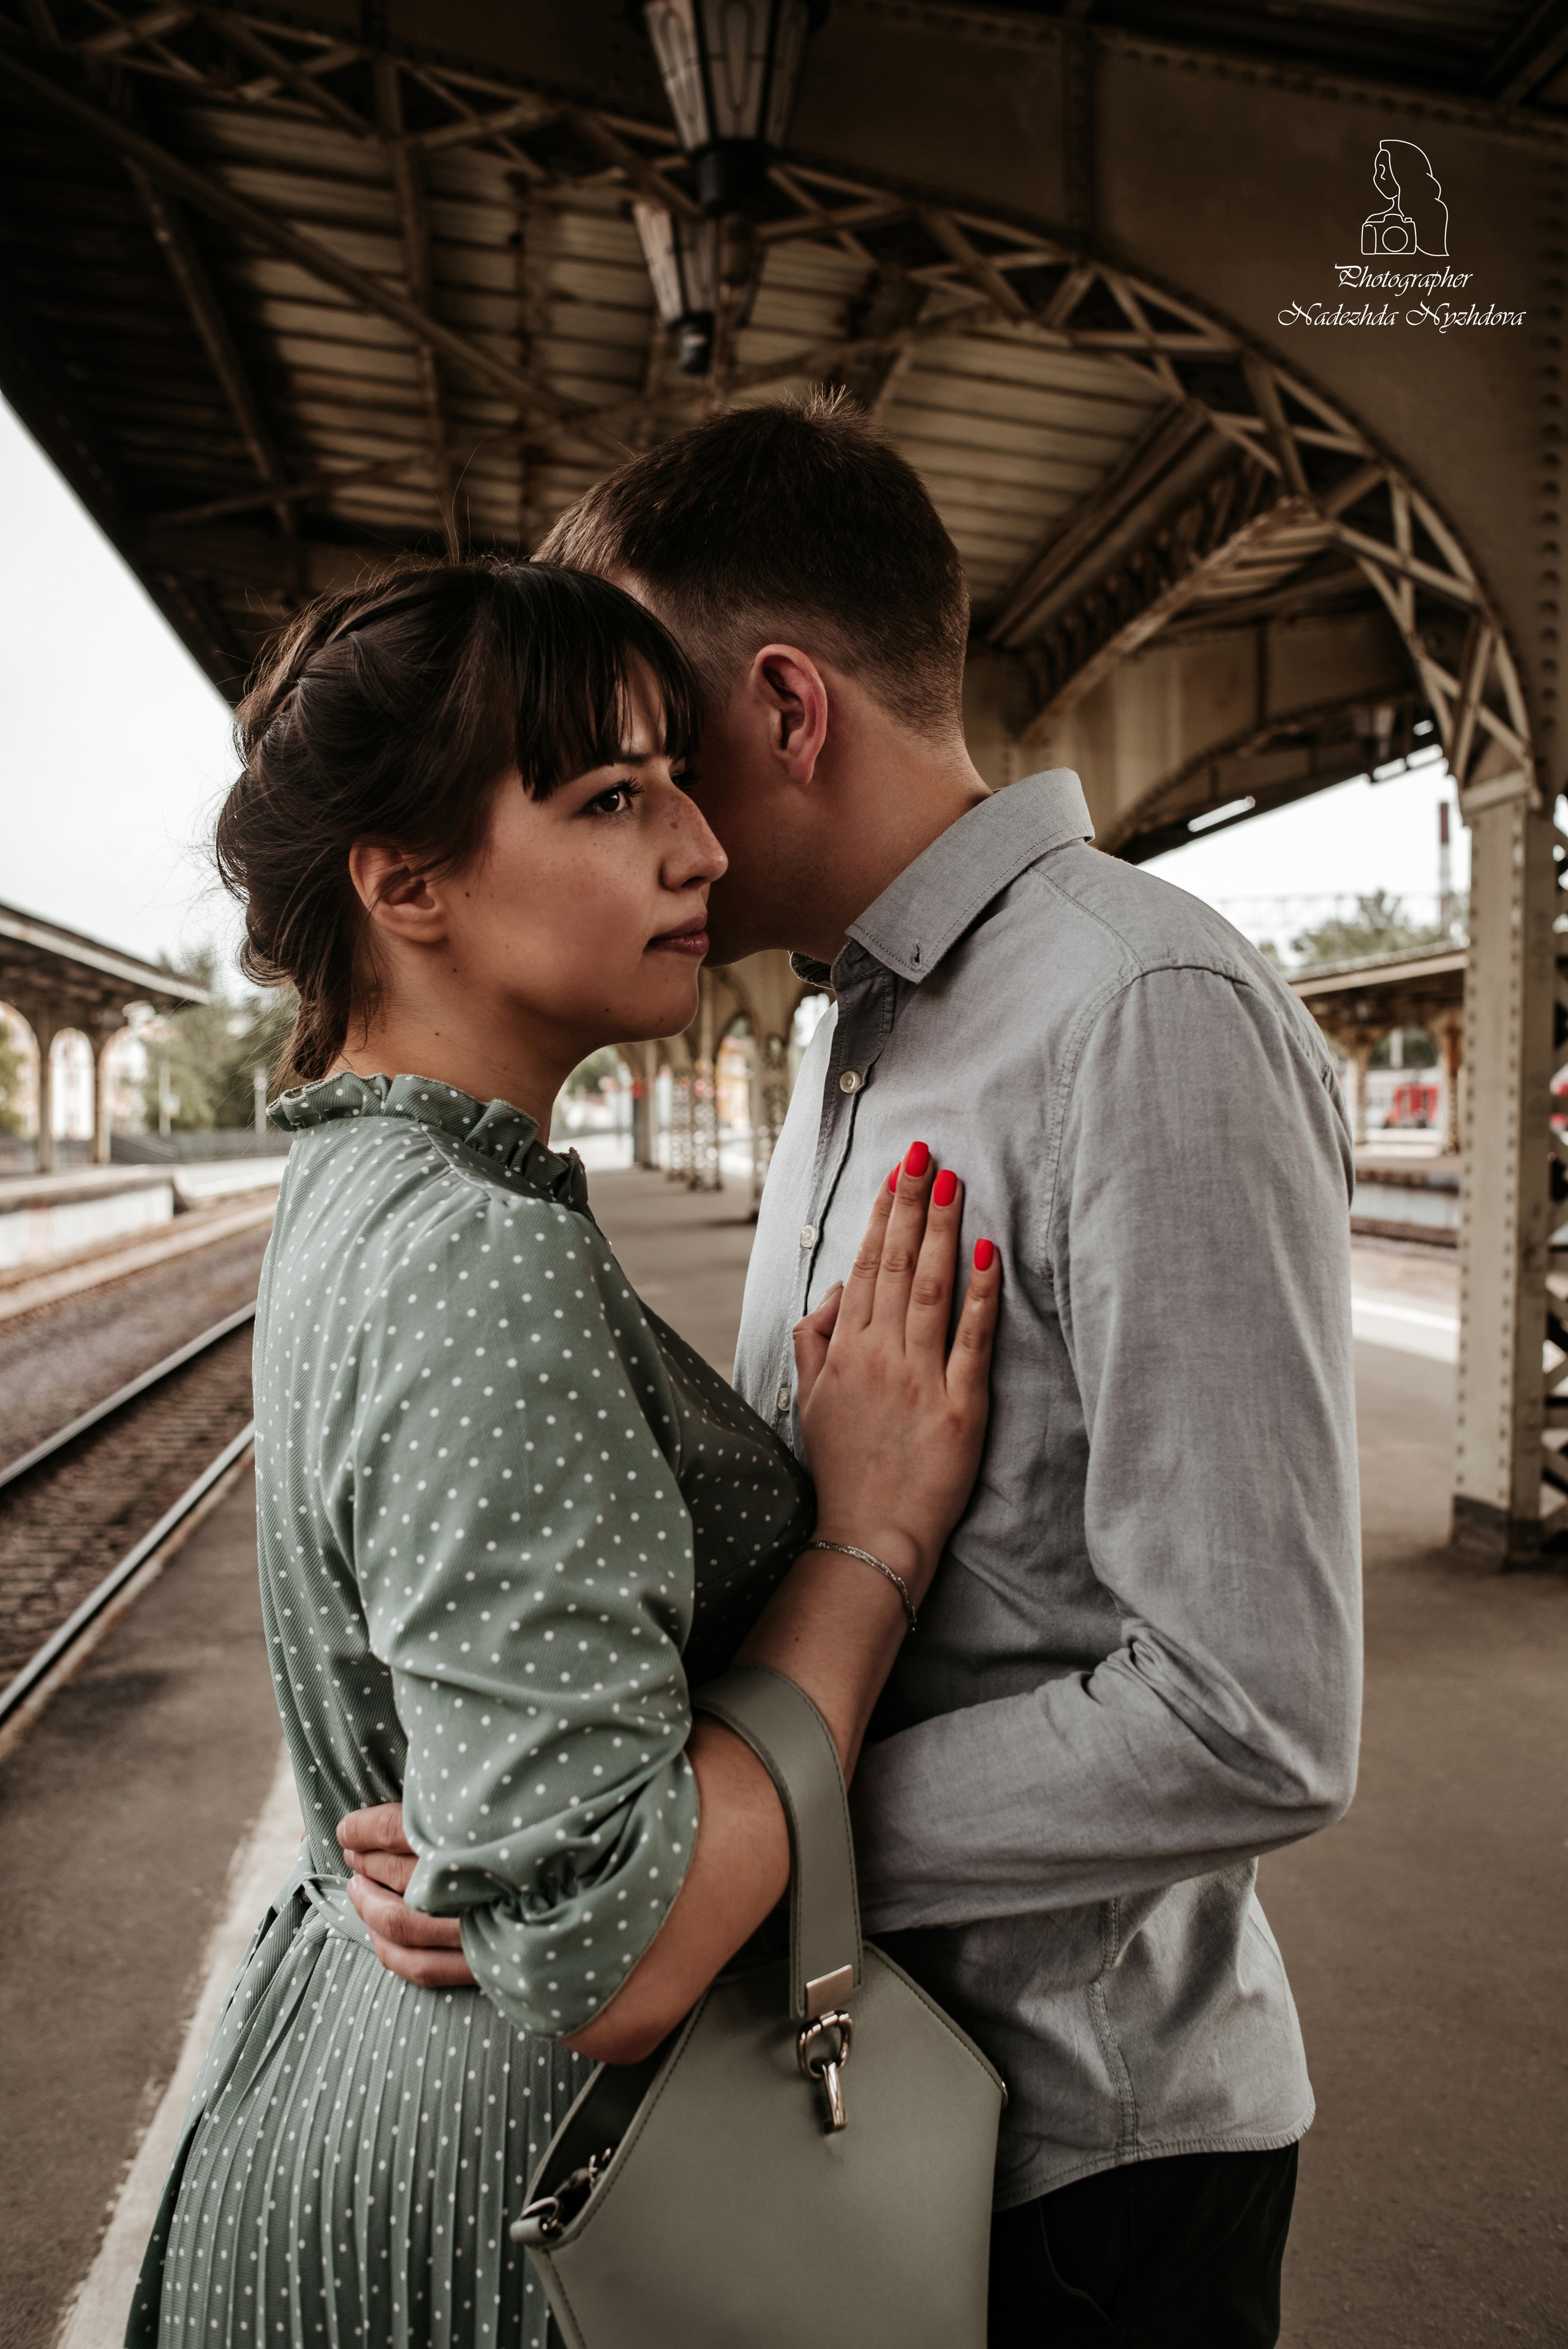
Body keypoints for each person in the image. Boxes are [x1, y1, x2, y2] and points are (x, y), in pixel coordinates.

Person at [345, 396, 1362, 2347]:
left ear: (792, 709)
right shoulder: (845, 1037)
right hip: (844, 2094)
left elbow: (1256, 1709)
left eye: (655, 746)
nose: (654, 815)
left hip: (1087, 2161)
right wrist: (560, 1818)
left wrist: (706, 1842)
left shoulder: (1140, 1010)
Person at [126, 558, 1000, 2349]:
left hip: (350, 2106)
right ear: (406, 881)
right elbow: (610, 1943)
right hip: (529, 2209)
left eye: (679, 779)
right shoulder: (478, 1252)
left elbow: (513, 1821)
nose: (698, 846)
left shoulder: (360, 1187)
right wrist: (872, 1538)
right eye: (611, 797)